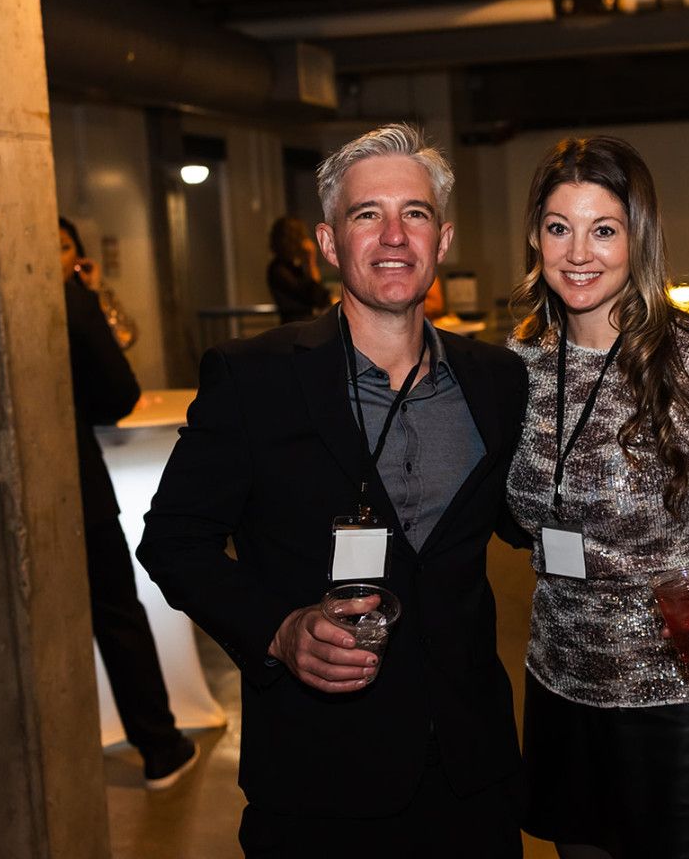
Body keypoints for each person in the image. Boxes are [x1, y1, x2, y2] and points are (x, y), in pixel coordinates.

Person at [137, 125, 528, 857]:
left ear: (441, 240)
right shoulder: (253, 378)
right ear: (327, 241)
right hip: (320, 777)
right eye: (365, 214)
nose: (392, 236)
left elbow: (524, 517)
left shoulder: (496, 381)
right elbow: (173, 542)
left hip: (470, 775)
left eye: (413, 213)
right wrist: (277, 629)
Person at [505, 136, 689, 859]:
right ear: (534, 235)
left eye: (604, 229)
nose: (578, 253)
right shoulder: (514, 369)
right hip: (563, 677)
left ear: (638, 238)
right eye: (559, 228)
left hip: (680, 690)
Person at [58, 217, 199, 789]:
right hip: (71, 480)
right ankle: (159, 746)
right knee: (115, 611)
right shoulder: (70, 297)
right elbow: (118, 393)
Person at [265, 214, 330, 323]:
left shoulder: (295, 266)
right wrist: (311, 261)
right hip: (297, 331)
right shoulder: (279, 269)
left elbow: (322, 298)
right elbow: (315, 296)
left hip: (304, 328)